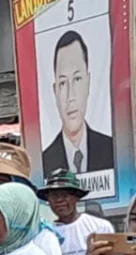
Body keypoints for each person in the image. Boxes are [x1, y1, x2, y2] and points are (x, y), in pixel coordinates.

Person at [42, 31, 115, 175]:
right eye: (63, 83)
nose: (71, 96)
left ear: (88, 82)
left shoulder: (112, 151)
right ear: (54, 91)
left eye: (77, 79)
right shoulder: (43, 162)